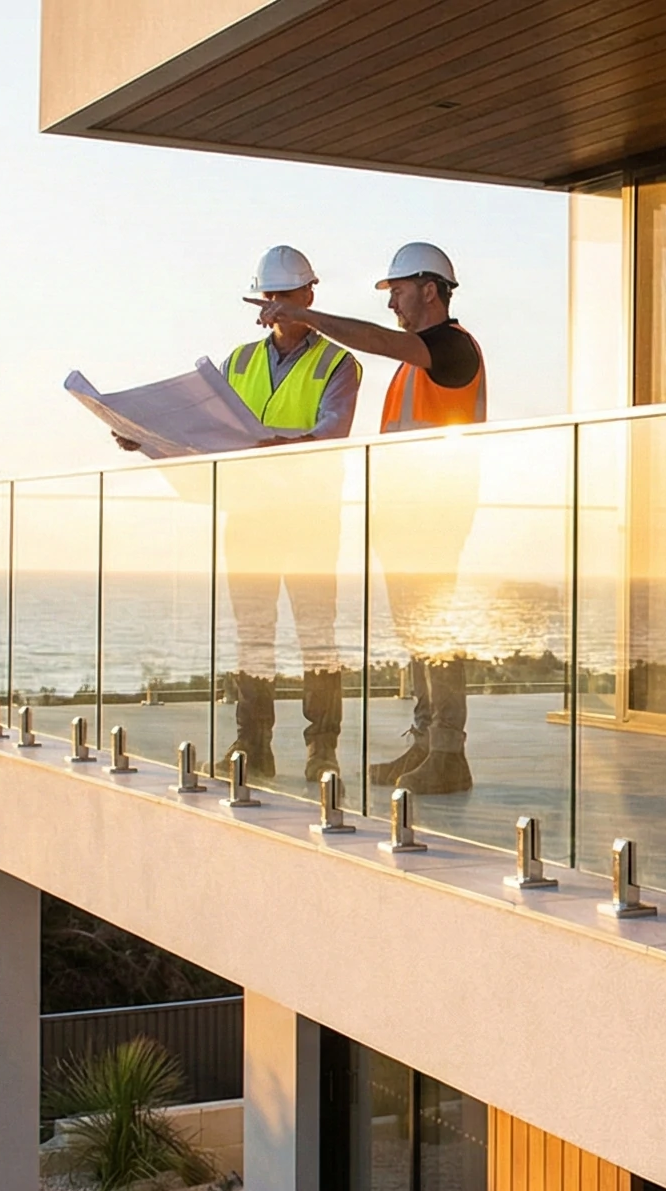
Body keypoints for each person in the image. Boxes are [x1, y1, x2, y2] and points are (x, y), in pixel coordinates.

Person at [118, 245, 361, 786]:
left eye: (285, 295)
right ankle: (252, 746)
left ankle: (323, 751)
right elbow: (206, 432)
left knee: (317, 637)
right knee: (252, 635)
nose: (275, 306)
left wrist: (280, 447)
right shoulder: (239, 362)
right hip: (249, 516)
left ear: (309, 295)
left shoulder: (339, 364)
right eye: (268, 297)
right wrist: (146, 438)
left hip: (310, 519)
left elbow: (332, 432)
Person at [252, 243, 489, 793]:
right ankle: (427, 743)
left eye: (398, 292)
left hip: (434, 513)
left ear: (429, 290)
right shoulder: (417, 362)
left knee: (435, 630)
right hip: (406, 515)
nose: (392, 304)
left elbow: (380, 341)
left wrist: (306, 317)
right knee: (418, 631)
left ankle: (448, 752)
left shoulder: (452, 348)